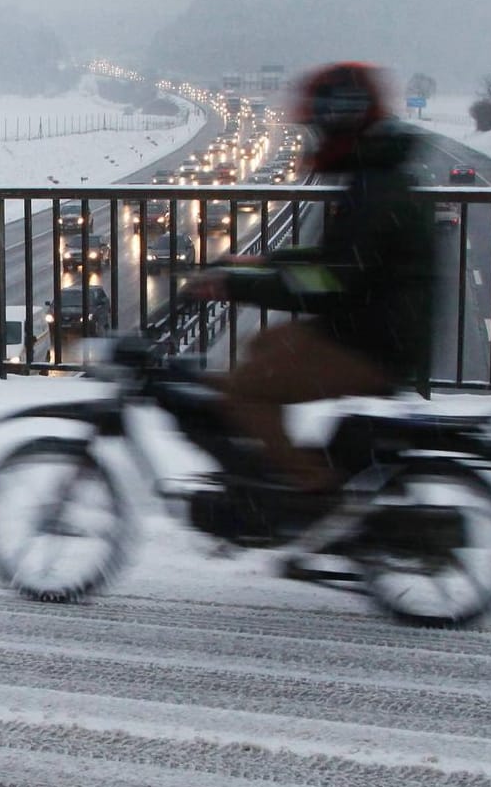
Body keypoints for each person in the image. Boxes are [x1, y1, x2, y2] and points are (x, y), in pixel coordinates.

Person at [183, 62, 436, 494]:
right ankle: (284, 462)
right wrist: (267, 261)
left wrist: (232, 285)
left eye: (319, 125)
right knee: (262, 346)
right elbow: (339, 260)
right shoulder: (376, 175)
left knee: (245, 390)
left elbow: (330, 280)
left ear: (341, 118)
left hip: (372, 343)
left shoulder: (374, 189)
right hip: (369, 329)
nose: (316, 136)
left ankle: (308, 492)